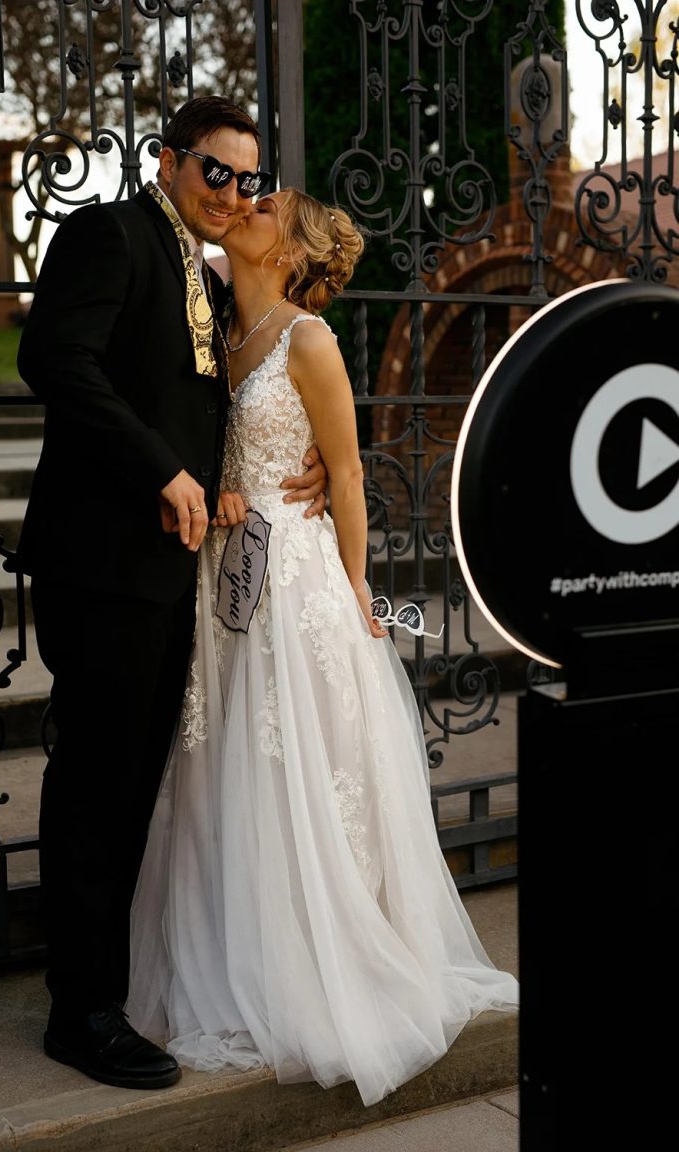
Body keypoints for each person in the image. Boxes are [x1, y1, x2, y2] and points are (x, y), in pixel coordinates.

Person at [126, 189, 519, 1107]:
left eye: (265, 204)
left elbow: (344, 474)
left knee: (305, 762)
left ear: (292, 249)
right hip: (223, 578)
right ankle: (241, 945)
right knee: (229, 765)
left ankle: (324, 953)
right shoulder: (218, 326)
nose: (246, 206)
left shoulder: (310, 340)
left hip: (295, 583)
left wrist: (353, 599)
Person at [14, 98, 327, 1091]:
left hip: (168, 576)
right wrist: (162, 469)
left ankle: (110, 984)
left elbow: (226, 388)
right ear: (168, 161)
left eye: (245, 179)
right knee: (98, 786)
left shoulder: (201, 268)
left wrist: (272, 463)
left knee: (130, 786)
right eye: (213, 172)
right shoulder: (111, 233)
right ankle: (84, 1013)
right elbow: (53, 359)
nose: (230, 192)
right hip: (102, 566)